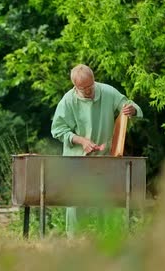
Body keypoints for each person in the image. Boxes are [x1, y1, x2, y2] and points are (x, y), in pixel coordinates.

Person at [50, 64, 143, 236]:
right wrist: (81, 141)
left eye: (90, 86)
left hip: (104, 157)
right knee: (76, 201)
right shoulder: (68, 101)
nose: (88, 90)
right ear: (75, 86)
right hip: (76, 159)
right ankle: (75, 240)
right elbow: (58, 130)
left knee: (105, 200)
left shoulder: (108, 92)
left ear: (94, 80)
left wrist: (133, 109)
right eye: (83, 88)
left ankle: (105, 238)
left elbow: (129, 106)